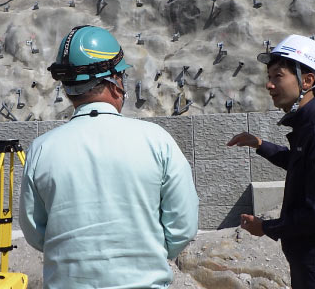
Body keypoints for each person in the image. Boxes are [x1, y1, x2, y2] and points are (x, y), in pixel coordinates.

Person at [19, 25, 199, 289]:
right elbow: (183, 226)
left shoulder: (41, 149)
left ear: (67, 88)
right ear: (115, 81)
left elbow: (35, 232)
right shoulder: (157, 141)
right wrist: (145, 254)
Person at [227, 34, 315, 288]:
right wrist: (260, 144)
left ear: (307, 81)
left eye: (278, 76)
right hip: (314, 266)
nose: (269, 85)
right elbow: (301, 165)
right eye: (269, 77)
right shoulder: (310, 128)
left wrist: (266, 227)